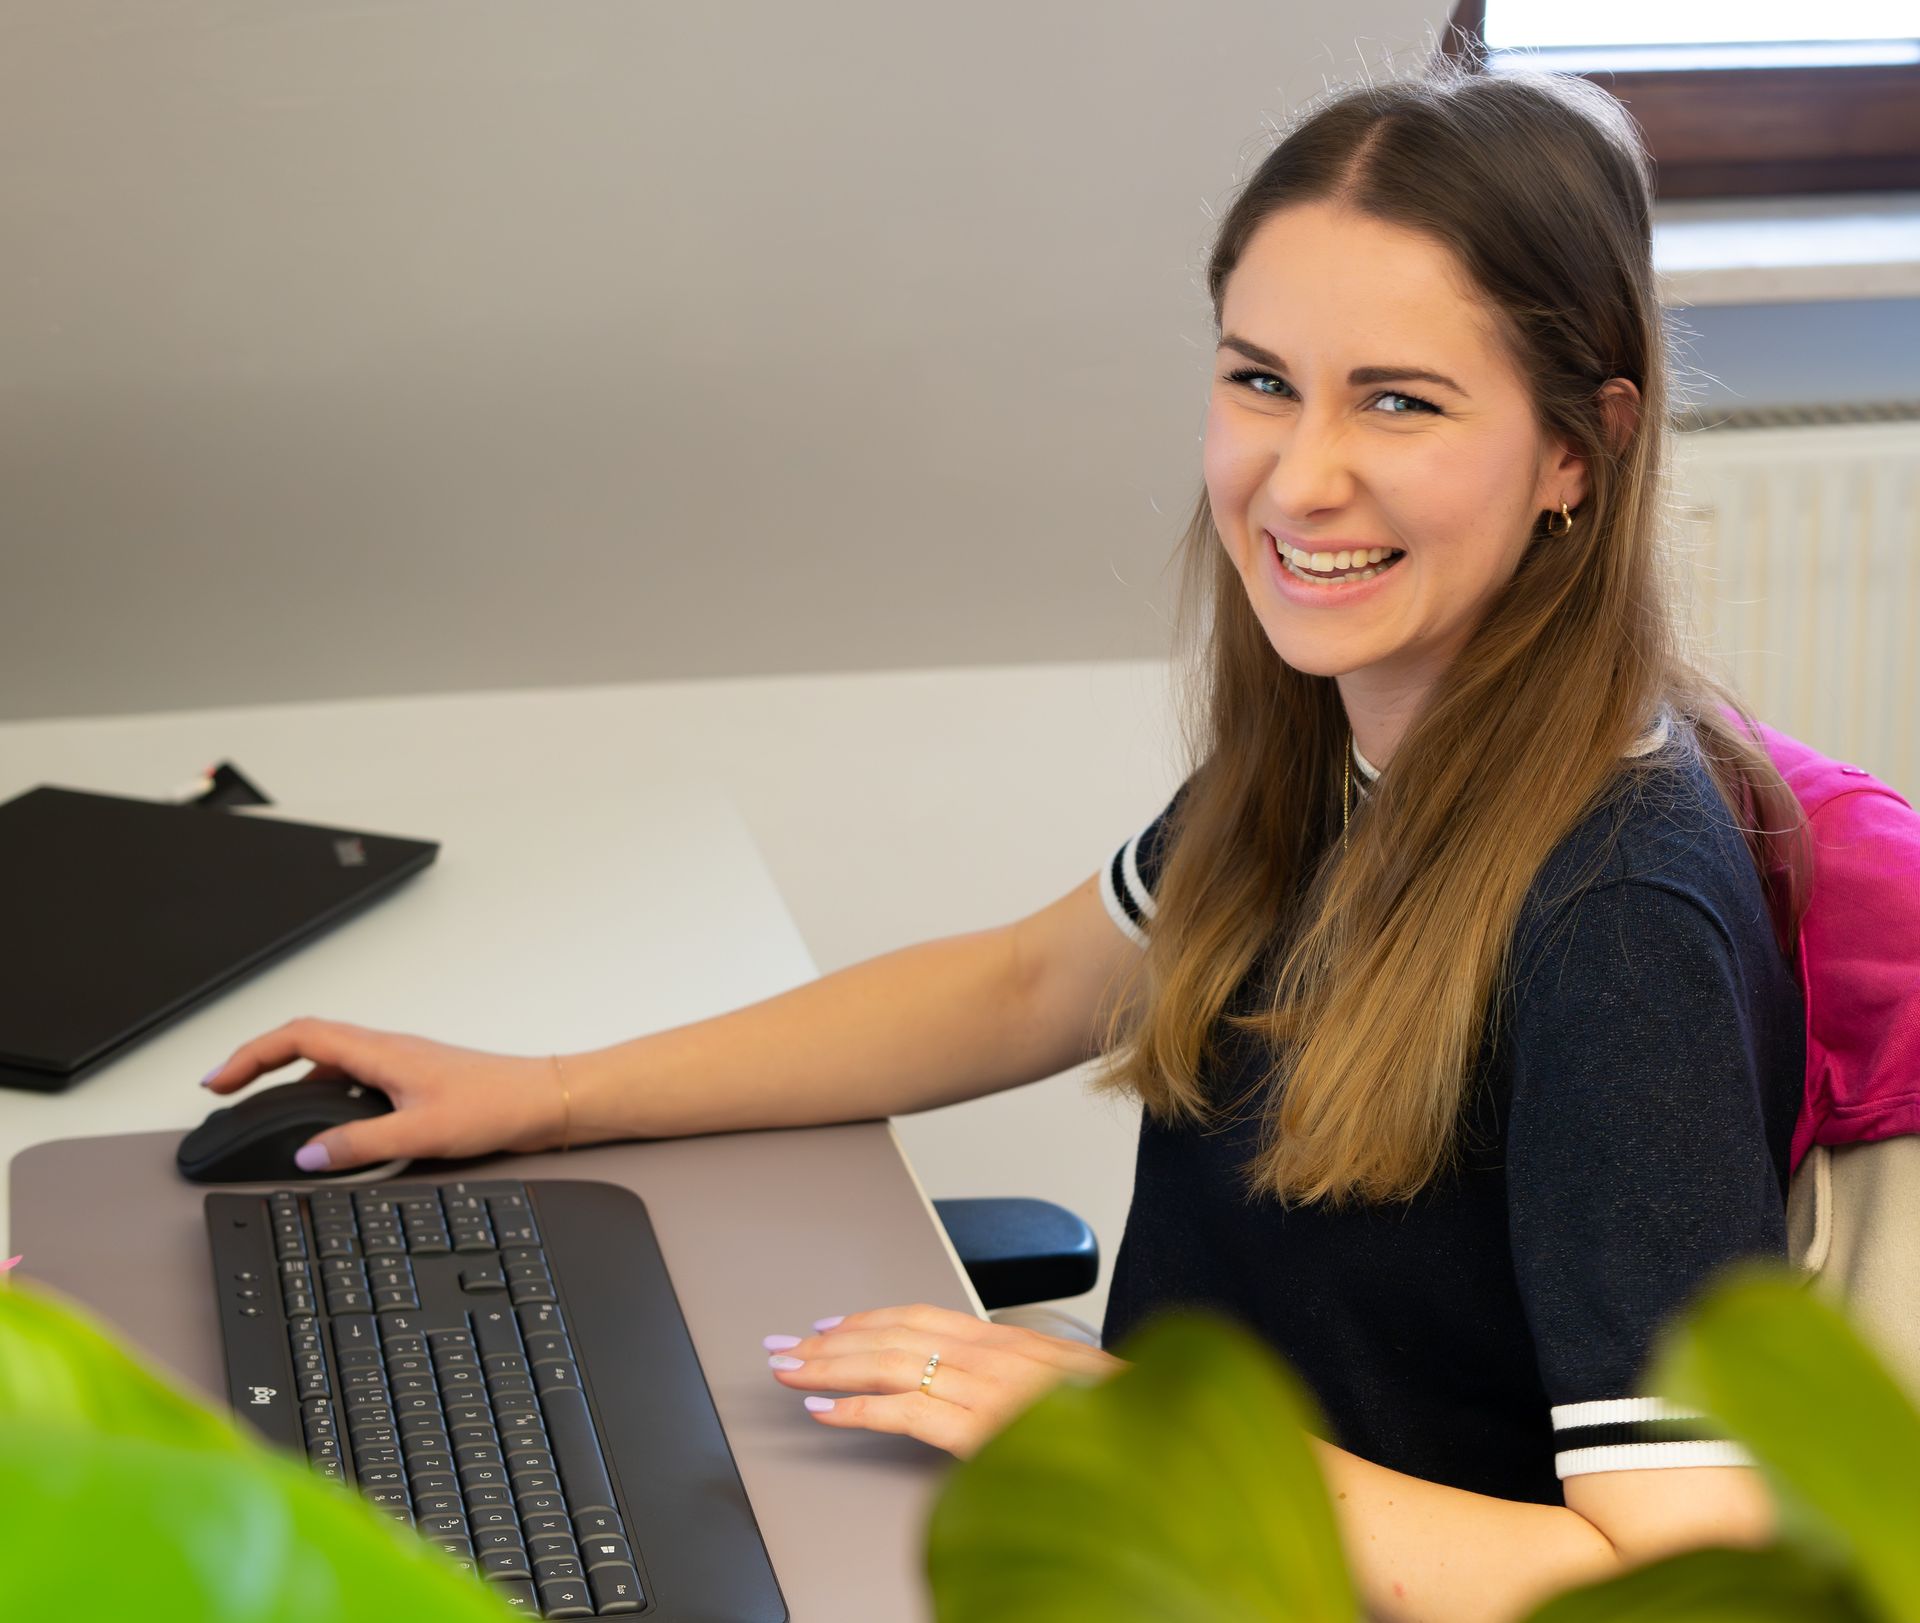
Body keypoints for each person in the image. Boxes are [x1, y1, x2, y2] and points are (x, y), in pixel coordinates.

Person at [199, 48, 1815, 1623]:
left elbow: (1680, 1587)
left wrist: (1128, 1435)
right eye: (1262, 380)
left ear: (1572, 454)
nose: (1298, 477)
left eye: (1397, 402)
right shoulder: (1351, 751)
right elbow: (1032, 980)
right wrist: (543, 1096)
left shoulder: (1615, 914)